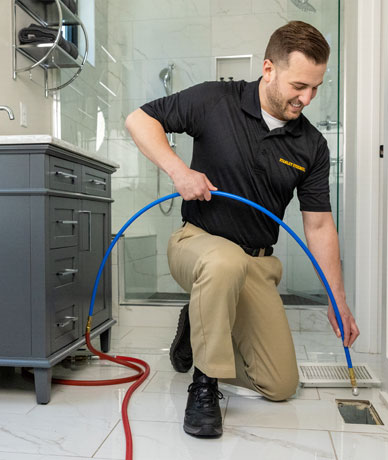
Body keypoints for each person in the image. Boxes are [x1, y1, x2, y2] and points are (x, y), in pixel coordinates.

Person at [125, 20, 360, 438]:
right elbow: (139, 120)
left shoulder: (311, 146)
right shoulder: (215, 100)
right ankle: (204, 384)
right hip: (197, 244)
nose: (307, 98)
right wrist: (179, 171)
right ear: (269, 69)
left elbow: (320, 224)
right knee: (223, 263)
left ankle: (194, 332)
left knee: (280, 384)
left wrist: (336, 300)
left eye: (316, 88)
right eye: (299, 85)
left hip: (256, 265)